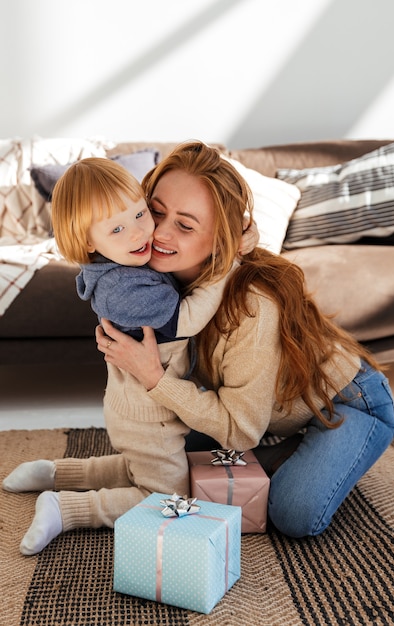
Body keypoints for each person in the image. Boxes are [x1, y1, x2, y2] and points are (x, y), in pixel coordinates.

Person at [91, 140, 394, 539]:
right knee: (168, 453)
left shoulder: (252, 305)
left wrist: (155, 379)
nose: (159, 234)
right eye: (155, 212)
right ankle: (279, 452)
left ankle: (294, 454)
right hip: (267, 409)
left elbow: (240, 429)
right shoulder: (154, 274)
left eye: (185, 225)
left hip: (348, 401)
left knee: (294, 514)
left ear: (220, 237)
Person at [2, 156, 253, 555]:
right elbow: (186, 317)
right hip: (149, 413)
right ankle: (67, 509)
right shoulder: (124, 290)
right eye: (117, 228)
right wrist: (229, 265)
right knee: (167, 497)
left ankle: (55, 473)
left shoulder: (117, 264)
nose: (140, 233)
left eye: (140, 213)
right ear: (88, 242)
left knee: (144, 464)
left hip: (139, 407)